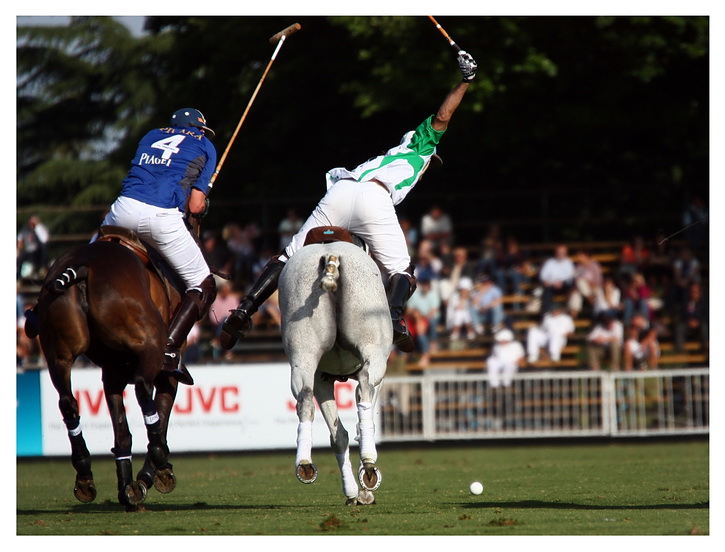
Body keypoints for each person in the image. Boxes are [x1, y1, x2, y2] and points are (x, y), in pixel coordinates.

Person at [220, 50, 478, 353]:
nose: (427, 171)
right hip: (374, 197)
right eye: (430, 165)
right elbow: (443, 116)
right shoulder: (420, 146)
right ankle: (394, 319)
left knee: (288, 256)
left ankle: (244, 309)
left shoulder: (382, 158)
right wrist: (465, 81)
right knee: (403, 270)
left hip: (341, 191)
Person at [96, 108, 218, 384]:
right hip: (162, 217)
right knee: (204, 284)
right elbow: (195, 206)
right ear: (197, 128)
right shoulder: (204, 145)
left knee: (86, 256)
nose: (201, 133)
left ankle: (41, 308)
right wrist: (204, 203)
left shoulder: (151, 135)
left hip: (123, 209)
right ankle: (170, 351)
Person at [405, 277, 442, 367]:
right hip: (417, 319)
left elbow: (433, 311)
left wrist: (421, 317)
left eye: (426, 286)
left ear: (429, 287)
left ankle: (432, 343)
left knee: (431, 323)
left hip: (427, 318)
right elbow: (409, 310)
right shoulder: (415, 296)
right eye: (424, 286)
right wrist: (417, 315)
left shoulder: (433, 295)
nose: (425, 287)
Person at [538, 244, 575, 315]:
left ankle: (567, 314)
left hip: (564, 285)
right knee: (546, 290)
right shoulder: (549, 262)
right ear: (556, 252)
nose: (560, 254)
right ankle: (546, 315)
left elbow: (570, 276)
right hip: (551, 285)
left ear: (565, 253)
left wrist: (561, 281)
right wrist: (546, 281)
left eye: (562, 252)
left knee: (571, 286)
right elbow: (543, 275)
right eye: (559, 252)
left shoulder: (569, 262)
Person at [674, 281, 708, 355]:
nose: (693, 294)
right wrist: (688, 321)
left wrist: (698, 322)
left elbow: (706, 316)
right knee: (679, 327)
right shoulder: (685, 302)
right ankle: (680, 351)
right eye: (692, 292)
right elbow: (682, 314)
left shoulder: (705, 303)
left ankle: (706, 349)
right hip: (687, 325)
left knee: (705, 327)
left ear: (699, 293)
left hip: (700, 326)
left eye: (695, 292)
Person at [567, 249, 603, 318]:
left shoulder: (594, 265)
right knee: (576, 293)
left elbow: (599, 280)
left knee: (580, 282)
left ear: (586, 256)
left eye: (580, 256)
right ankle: (573, 314)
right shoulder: (578, 267)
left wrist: (591, 284)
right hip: (582, 290)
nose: (578, 257)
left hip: (593, 287)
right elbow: (575, 281)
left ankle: (590, 298)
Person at [17, 215, 50, 280]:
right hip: (28, 250)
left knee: (44, 247)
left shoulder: (40, 229)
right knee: (20, 257)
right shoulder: (25, 230)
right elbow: (20, 239)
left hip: (37, 250)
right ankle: (18, 277)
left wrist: (38, 227)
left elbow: (44, 239)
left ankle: (42, 269)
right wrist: (18, 250)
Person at [445, 276, 477, 341]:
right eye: (462, 289)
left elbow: (475, 306)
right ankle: (458, 332)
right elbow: (458, 307)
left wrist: (468, 297)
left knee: (466, 313)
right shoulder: (454, 296)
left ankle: (465, 332)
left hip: (471, 322)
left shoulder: (472, 296)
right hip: (453, 321)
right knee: (459, 313)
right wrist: (463, 298)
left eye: (466, 289)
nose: (464, 291)